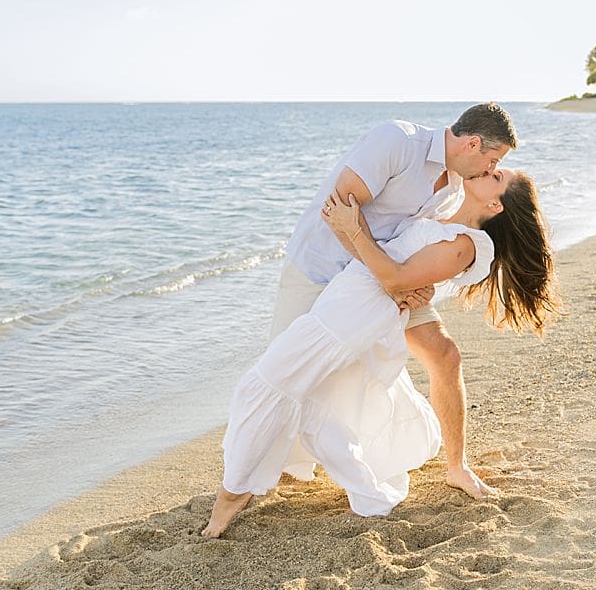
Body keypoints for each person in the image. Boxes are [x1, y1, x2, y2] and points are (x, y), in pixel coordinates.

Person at [202, 169, 558, 536]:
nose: (486, 170)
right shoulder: (443, 212)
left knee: (261, 387)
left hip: (352, 315)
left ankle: (232, 494)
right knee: (313, 404)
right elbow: (402, 274)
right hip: (343, 301)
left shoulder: (466, 245)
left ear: (494, 205)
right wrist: (409, 283)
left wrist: (354, 230)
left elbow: (393, 277)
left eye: (495, 176)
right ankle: (369, 496)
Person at [269, 103, 517, 499]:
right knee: (285, 375)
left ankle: (458, 468)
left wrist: (418, 283)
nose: (491, 169)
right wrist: (391, 281)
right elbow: (339, 208)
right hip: (319, 270)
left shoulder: (454, 187)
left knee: (445, 355)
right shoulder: (397, 142)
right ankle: (260, 474)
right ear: (472, 144)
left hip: (384, 278)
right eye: (493, 160)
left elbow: (419, 240)